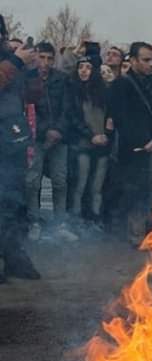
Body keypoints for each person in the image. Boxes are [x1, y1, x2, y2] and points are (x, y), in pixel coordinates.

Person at [107, 41, 152, 245]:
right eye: (146, 60)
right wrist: (143, 140)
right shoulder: (121, 85)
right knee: (138, 193)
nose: (150, 64)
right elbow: (122, 118)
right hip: (135, 150)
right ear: (133, 60)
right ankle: (136, 235)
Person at [0, 16, 40, 283]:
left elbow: (33, 96)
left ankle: (13, 256)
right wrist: (15, 63)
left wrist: (32, 69)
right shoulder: (9, 62)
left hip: (11, 139)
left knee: (13, 203)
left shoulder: (9, 58)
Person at [25, 41, 77, 242]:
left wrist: (58, 130)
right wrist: (45, 131)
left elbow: (68, 108)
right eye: (42, 57)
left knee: (60, 180)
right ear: (35, 56)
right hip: (36, 138)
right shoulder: (27, 79)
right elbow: (28, 109)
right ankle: (34, 221)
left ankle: (60, 223)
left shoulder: (62, 79)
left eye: (49, 58)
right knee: (32, 181)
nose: (45, 62)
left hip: (60, 138)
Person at [67, 54, 112, 229]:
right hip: (82, 143)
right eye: (81, 67)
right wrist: (89, 135)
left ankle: (95, 217)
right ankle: (76, 218)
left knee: (97, 186)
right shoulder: (73, 91)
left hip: (103, 143)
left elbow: (111, 117)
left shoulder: (104, 91)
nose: (83, 71)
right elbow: (73, 118)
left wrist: (107, 134)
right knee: (81, 182)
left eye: (88, 67)